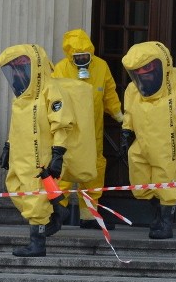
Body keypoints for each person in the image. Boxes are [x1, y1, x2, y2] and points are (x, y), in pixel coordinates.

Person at [0, 43, 95, 257]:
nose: (18, 73)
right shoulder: (22, 97)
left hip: (40, 156)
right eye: (15, 69)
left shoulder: (51, 91)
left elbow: (62, 125)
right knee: (14, 188)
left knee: (35, 198)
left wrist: (58, 154)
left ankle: (37, 242)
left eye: (22, 67)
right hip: (19, 156)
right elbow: (15, 126)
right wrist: (7, 147)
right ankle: (57, 209)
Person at [120, 41, 176, 239]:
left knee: (167, 183)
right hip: (141, 145)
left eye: (147, 71)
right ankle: (157, 213)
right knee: (140, 183)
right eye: (139, 73)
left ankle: (165, 222)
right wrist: (126, 133)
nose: (144, 77)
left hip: (169, 146)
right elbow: (129, 114)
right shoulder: (133, 90)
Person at [52, 29, 124, 229]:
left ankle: (89, 216)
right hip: (69, 131)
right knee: (63, 171)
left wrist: (118, 115)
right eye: (78, 57)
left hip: (94, 131)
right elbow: (53, 97)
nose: (82, 59)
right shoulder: (61, 69)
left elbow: (109, 92)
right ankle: (56, 213)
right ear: (70, 56)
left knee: (93, 170)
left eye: (86, 56)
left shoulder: (101, 67)